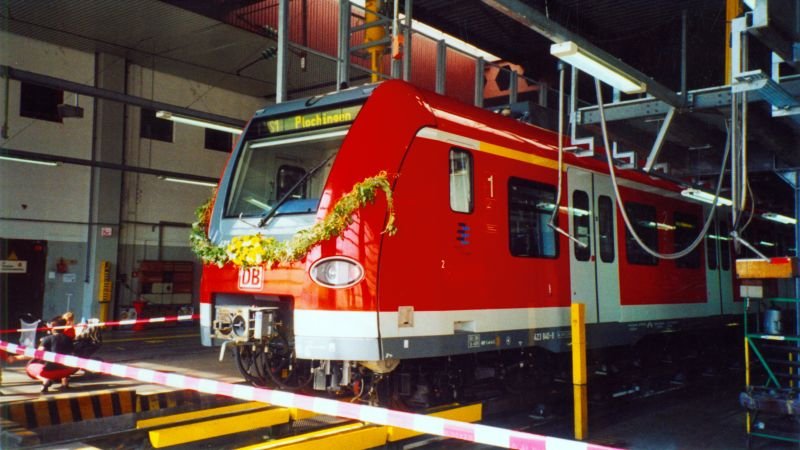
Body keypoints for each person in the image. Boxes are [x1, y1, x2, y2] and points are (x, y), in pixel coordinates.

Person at [24, 317, 75, 393]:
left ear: (53, 325)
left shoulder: (48, 338)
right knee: (65, 358)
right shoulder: (69, 339)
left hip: (51, 371)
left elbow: (38, 354)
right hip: (67, 371)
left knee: (29, 367)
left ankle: (45, 380)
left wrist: (16, 358)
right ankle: (65, 382)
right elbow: (72, 353)